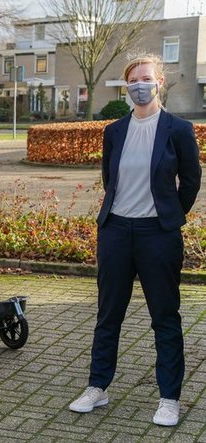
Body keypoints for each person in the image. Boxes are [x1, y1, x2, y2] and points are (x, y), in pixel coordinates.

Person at [68, 55, 201, 427]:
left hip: (157, 235)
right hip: (115, 232)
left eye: (146, 78)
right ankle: (98, 386)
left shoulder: (178, 129)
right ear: (127, 86)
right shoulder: (114, 131)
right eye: (133, 80)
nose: (139, 85)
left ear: (159, 81)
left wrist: (170, 216)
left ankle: (169, 397)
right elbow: (110, 180)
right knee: (108, 315)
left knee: (165, 318)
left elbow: (190, 181)